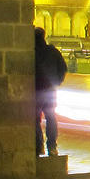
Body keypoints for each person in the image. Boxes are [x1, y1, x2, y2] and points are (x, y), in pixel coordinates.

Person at [34, 27, 68, 156]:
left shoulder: (32, 52)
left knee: (35, 119)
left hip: (36, 91)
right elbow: (63, 68)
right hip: (50, 91)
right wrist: (56, 82)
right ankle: (52, 147)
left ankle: (38, 146)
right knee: (51, 117)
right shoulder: (53, 52)